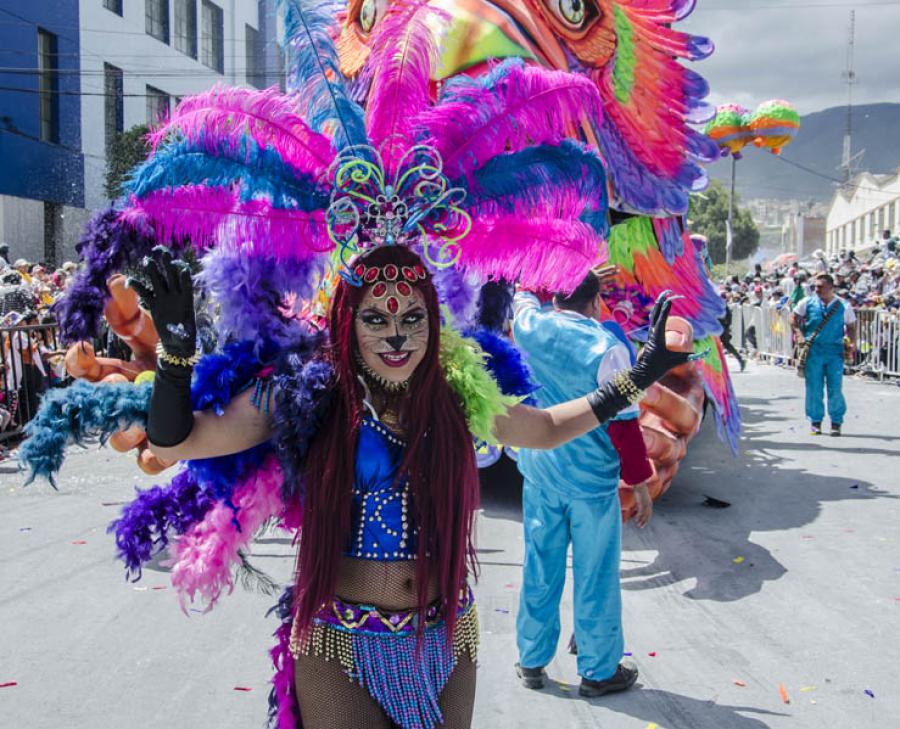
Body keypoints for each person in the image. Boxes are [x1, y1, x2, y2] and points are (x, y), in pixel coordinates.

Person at [133, 248, 686, 728]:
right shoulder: (308, 395)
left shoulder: (456, 394)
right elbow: (178, 442)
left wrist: (639, 376)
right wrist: (176, 355)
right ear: (347, 323)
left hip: (445, 638)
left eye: (412, 318)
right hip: (338, 641)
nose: (396, 336)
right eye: (375, 318)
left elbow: (544, 429)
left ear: (434, 322)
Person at [510, 270, 660, 698]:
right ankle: (598, 669)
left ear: (556, 297)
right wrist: (641, 483)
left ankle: (531, 660)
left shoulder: (529, 325)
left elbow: (522, 290)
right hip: (591, 482)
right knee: (594, 573)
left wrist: (557, 267)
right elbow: (625, 425)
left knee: (540, 564)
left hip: (540, 471)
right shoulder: (610, 347)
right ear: (595, 302)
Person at [791, 273, 857, 436]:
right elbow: (793, 318)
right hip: (813, 351)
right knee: (814, 387)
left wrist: (852, 343)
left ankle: (836, 421)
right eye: (815, 286)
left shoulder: (844, 305)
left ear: (830, 287)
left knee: (835, 387)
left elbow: (852, 327)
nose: (816, 289)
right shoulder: (807, 302)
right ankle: (815, 421)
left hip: (835, 352)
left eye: (820, 286)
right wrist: (799, 334)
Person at [719, 292, 745, 370]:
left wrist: (726, 327)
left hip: (721, 327)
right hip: (719, 327)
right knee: (726, 345)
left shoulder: (722, 305)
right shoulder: (720, 305)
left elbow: (728, 317)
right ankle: (740, 359)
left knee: (726, 345)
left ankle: (740, 360)